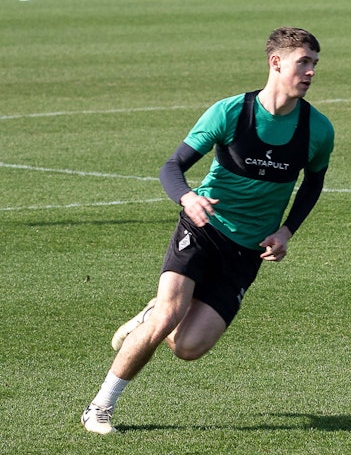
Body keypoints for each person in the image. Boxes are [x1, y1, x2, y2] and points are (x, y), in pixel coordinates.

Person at [81, 27, 335, 434]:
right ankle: (99, 407)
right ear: (276, 62)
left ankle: (147, 316)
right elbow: (171, 168)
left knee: (188, 347)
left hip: (248, 250)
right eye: (303, 62)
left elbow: (313, 184)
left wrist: (286, 231)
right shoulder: (232, 112)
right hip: (203, 227)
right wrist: (188, 198)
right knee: (168, 317)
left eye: (314, 65)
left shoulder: (318, 129)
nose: (310, 72)